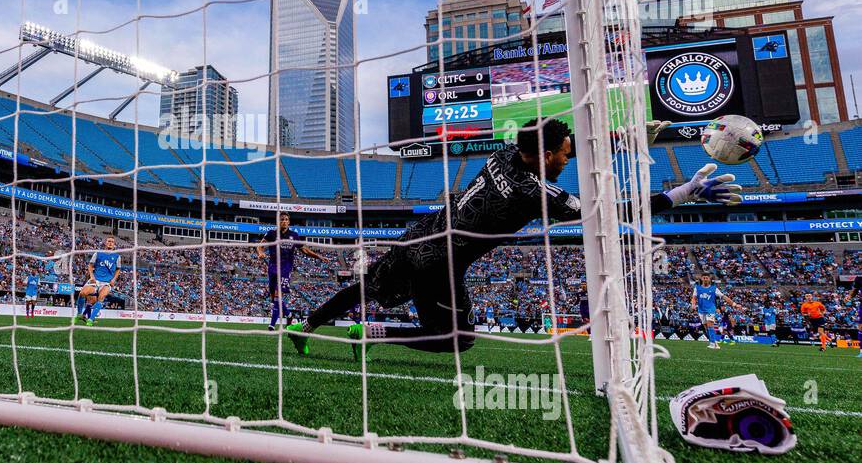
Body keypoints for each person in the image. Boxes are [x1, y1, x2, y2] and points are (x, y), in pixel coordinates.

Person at [286, 117, 741, 359]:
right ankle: (373, 336)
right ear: (544, 155)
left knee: (367, 287)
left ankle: (305, 325)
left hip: (418, 236)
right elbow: (608, 212)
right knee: (457, 341)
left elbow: (560, 140)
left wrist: (617, 139)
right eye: (563, 156)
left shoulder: (504, 154)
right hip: (440, 263)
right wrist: (682, 192)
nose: (567, 160)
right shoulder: (534, 193)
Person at [255, 214, 322, 329]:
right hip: (272, 268)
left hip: (286, 269)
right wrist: (260, 253)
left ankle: (272, 325)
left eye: (286, 220)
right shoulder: (271, 233)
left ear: (289, 222)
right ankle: (289, 315)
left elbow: (304, 250)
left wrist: (318, 257)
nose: (284, 221)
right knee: (273, 298)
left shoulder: (294, 235)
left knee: (277, 295)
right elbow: (260, 246)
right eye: (282, 220)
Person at [76, 236, 121, 325]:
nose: (110, 243)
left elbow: (118, 269)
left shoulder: (117, 256)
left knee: (101, 297)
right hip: (95, 280)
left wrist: (113, 280)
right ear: (105, 242)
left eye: (112, 241)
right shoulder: (98, 253)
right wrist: (92, 277)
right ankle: (80, 314)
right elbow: (90, 265)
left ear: (114, 244)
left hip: (106, 283)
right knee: (82, 293)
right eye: (109, 241)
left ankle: (91, 320)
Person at [693, 273, 740, 350]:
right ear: (701, 279)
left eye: (707, 278)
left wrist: (734, 304)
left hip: (710, 309)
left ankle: (712, 344)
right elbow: (694, 298)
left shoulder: (714, 289)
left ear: (709, 279)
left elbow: (724, 297)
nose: (705, 279)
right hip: (701, 310)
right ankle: (714, 342)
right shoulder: (697, 288)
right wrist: (693, 304)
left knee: (710, 325)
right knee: (706, 327)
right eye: (704, 277)